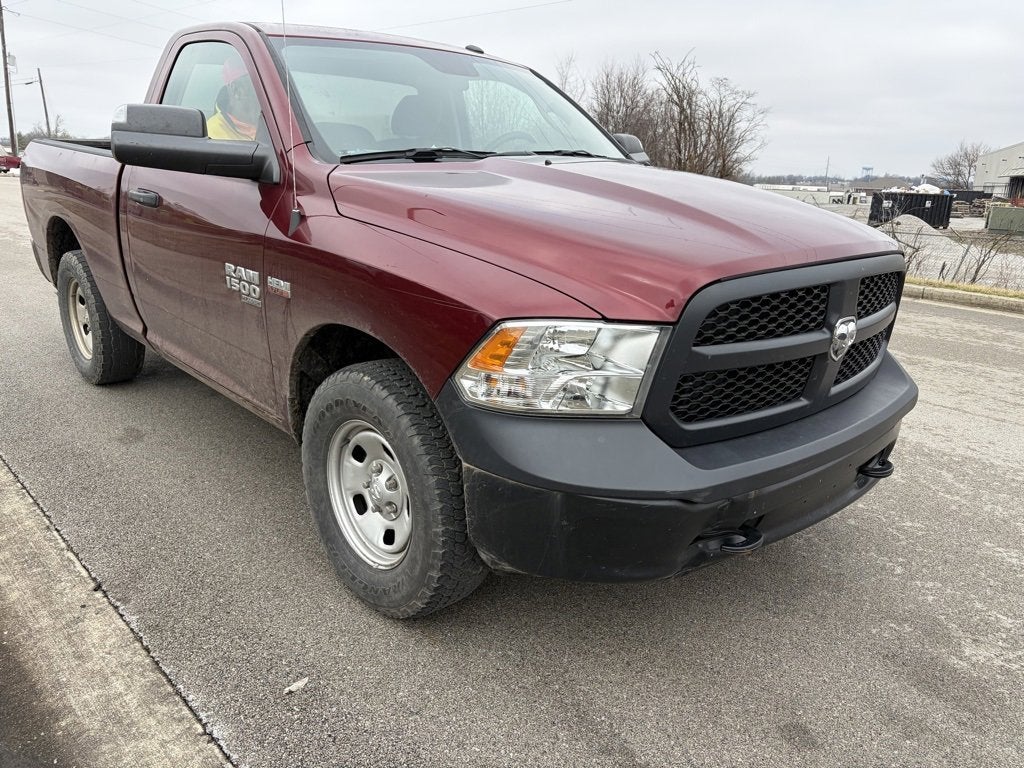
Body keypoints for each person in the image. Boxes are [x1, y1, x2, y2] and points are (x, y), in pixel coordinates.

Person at [207, 56, 261, 141]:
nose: (265, 92)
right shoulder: (213, 134)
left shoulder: (271, 125)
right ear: (236, 90)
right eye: (258, 85)